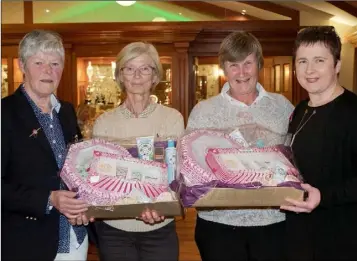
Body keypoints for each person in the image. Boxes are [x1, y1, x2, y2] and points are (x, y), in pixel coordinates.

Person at [186, 31, 294, 261]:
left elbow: (296, 160)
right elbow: (191, 167)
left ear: (259, 64)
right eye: (234, 65)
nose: (242, 72)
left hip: (273, 221)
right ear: (224, 69)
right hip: (218, 223)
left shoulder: (282, 106)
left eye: (248, 63)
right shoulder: (203, 111)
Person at [1, 30, 90, 261]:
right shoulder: (5, 114)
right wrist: (48, 199)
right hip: (27, 243)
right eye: (39, 62)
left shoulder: (68, 112)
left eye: (55, 63)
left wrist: (87, 201)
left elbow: (78, 169)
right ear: (22, 65)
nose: (48, 70)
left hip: (76, 236)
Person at [92, 42, 184, 261]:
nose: (137, 75)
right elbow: (100, 179)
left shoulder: (172, 118)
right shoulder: (104, 123)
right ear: (120, 75)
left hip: (160, 227)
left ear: (155, 76)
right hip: (114, 229)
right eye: (129, 68)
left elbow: (176, 174)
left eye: (145, 69)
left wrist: (163, 204)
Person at [280, 26, 357, 261]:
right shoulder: (301, 109)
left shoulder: (352, 112)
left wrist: (323, 196)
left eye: (319, 60)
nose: (309, 70)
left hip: (341, 238)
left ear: (337, 65)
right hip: (299, 235)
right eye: (302, 61)